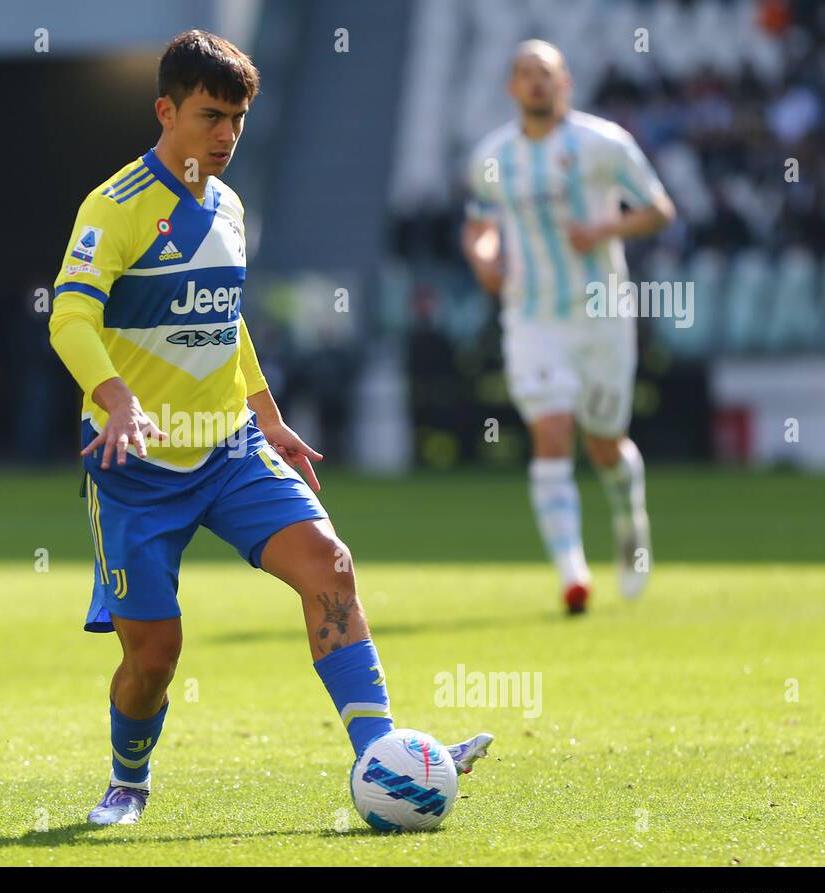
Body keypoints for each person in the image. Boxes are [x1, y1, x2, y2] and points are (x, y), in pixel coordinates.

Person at [48, 30, 492, 826]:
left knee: (330, 566)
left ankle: (384, 758)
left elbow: (224, 321)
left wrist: (269, 416)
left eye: (239, 120)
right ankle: (128, 780)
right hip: (137, 470)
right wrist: (115, 397)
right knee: (153, 657)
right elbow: (70, 318)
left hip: (232, 450)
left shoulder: (228, 205)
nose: (226, 136)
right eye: (211, 116)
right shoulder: (112, 208)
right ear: (165, 110)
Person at [461, 40, 676, 614]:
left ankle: (630, 521)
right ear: (511, 87)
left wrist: (605, 229)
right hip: (531, 317)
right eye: (525, 74)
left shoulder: (604, 144)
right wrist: (484, 259)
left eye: (546, 74)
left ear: (566, 84)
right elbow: (478, 224)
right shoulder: (493, 157)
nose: (536, 83)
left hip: (602, 315)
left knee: (604, 445)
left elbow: (658, 208)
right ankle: (572, 573)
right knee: (551, 433)